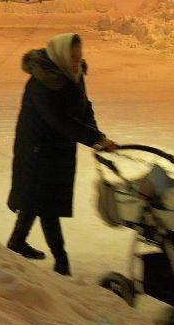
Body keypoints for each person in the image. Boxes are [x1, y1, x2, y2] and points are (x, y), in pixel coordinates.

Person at [6, 32, 116, 276]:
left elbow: (84, 107)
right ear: (61, 54)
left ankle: (16, 241)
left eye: (79, 56)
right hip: (37, 148)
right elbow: (59, 121)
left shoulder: (72, 73)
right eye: (73, 56)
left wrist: (97, 134)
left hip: (58, 148)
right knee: (47, 203)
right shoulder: (41, 82)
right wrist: (95, 140)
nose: (77, 61)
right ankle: (61, 261)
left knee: (37, 197)